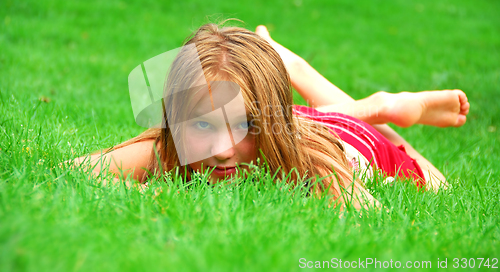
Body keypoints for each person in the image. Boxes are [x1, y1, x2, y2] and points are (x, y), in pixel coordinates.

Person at [73, 22, 470, 209]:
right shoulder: (176, 148)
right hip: (281, 121)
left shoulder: (315, 165)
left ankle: (382, 108)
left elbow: (373, 218)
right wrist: (153, 190)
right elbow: (71, 171)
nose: (222, 151)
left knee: (440, 186)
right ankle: (290, 68)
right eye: (201, 124)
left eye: (239, 127)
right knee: (278, 115)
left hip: (355, 142)